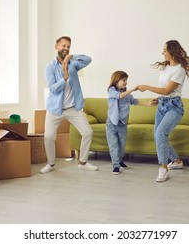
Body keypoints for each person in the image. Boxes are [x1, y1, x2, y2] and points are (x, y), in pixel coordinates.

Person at [138, 40, 189, 182]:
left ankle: (163, 169)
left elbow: (168, 90)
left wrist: (147, 87)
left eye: (164, 50)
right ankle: (176, 161)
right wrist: (159, 99)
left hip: (174, 108)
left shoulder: (179, 70)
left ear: (172, 51)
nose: (162, 52)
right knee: (158, 136)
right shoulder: (165, 68)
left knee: (160, 133)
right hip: (162, 105)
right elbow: (164, 91)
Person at [40, 36, 98, 174]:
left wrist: (70, 57)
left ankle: (83, 162)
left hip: (73, 108)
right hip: (55, 109)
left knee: (87, 132)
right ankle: (51, 163)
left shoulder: (73, 64)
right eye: (63, 46)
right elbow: (53, 89)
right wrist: (64, 79)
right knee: (48, 137)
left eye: (68, 46)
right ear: (56, 47)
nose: (66, 48)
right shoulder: (50, 67)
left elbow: (88, 59)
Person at [106, 71, 153, 175]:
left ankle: (120, 160)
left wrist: (148, 104)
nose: (126, 82)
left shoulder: (127, 95)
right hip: (111, 124)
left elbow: (135, 101)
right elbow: (120, 96)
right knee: (113, 145)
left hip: (122, 124)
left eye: (126, 80)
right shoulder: (111, 90)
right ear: (116, 80)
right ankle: (116, 166)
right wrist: (134, 88)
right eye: (124, 80)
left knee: (122, 146)